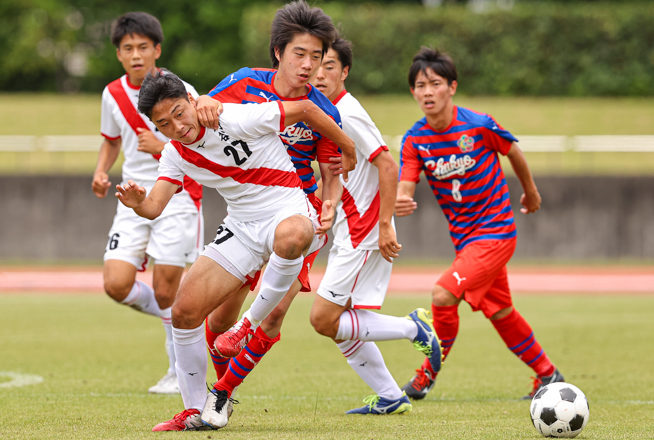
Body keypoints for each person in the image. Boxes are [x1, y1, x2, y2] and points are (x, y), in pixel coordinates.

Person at [115, 69, 354, 431]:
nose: (177, 127)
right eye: (164, 124)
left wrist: (349, 148)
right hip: (241, 229)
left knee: (294, 235)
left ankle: (249, 325)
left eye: (180, 113)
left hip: (287, 209)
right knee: (184, 312)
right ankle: (197, 410)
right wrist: (137, 203)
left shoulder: (235, 114)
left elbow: (305, 107)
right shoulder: (175, 155)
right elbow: (153, 207)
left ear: (192, 101)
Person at [194, 0, 356, 409]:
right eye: (299, 54)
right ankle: (221, 388)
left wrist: (331, 203)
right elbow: (200, 113)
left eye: (317, 57)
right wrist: (207, 104)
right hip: (248, 216)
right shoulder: (243, 84)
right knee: (218, 321)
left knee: (273, 316)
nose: (309, 66)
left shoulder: (325, 110)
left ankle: (221, 396)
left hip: (297, 218)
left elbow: (332, 170)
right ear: (278, 52)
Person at [396, 47, 563, 401]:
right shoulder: (414, 140)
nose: (427, 92)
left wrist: (531, 193)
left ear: (451, 87)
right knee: (501, 312)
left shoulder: (479, 125)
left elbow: (513, 150)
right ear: (413, 92)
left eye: (435, 83)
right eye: (420, 85)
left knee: (442, 294)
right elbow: (406, 186)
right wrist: (400, 199)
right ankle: (548, 374)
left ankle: (426, 375)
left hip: (497, 232)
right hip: (465, 241)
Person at [308, 36, 443, 415]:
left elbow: (387, 163)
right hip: (351, 228)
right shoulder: (323, 110)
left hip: (363, 232)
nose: (319, 73)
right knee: (345, 320)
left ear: (345, 71)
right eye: (315, 64)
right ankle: (389, 396)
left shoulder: (345, 113)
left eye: (329, 66)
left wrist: (384, 224)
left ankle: (414, 328)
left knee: (323, 319)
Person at [91, 11, 203, 394]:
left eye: (143, 47)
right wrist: (101, 170)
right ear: (118, 54)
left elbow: (200, 138)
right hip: (132, 197)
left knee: (167, 287)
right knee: (116, 283)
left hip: (178, 195)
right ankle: (189, 320)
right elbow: (110, 139)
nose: (136, 55)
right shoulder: (112, 94)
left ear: (157, 49)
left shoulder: (180, 88)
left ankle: (178, 370)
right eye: (128, 48)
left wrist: (163, 146)